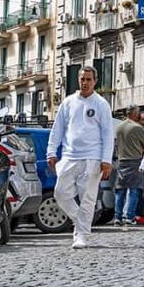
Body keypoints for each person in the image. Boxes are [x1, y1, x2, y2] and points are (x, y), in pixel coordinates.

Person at [46, 65, 115, 249]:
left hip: (92, 157)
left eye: (89, 80)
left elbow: (108, 133)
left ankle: (81, 235)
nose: (85, 83)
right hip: (69, 156)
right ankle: (80, 221)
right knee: (60, 193)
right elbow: (57, 129)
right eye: (82, 79)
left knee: (87, 197)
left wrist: (106, 160)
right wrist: (51, 151)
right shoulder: (68, 102)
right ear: (78, 80)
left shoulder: (101, 104)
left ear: (95, 81)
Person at [112, 105, 144, 226]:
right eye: (137, 112)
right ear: (134, 113)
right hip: (135, 160)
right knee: (134, 190)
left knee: (120, 190)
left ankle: (117, 216)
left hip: (121, 161)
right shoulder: (137, 128)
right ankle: (130, 216)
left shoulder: (119, 127)